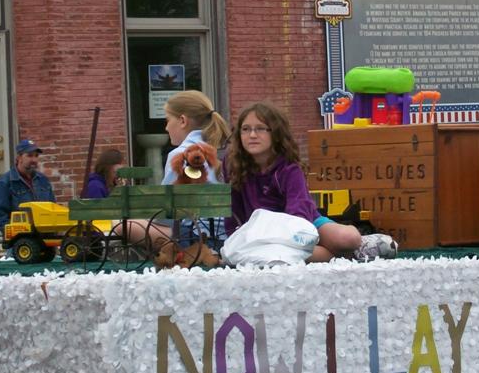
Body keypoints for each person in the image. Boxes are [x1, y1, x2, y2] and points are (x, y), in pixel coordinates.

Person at [226, 102, 392, 263]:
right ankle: (346, 256)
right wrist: (235, 239)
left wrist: (296, 240)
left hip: (302, 225)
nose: (252, 135)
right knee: (270, 254)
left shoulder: (288, 168)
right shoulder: (234, 166)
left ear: (275, 133)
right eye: (246, 129)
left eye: (260, 129)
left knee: (348, 238)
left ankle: (360, 243)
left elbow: (300, 211)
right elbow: (233, 211)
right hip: (263, 233)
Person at [161, 91, 232, 245]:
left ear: (182, 121)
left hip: (193, 235)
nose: (166, 127)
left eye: (167, 120)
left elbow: (166, 208)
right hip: (227, 233)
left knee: (126, 227)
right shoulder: (215, 149)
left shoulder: (179, 154)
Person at [0, 139, 56, 233]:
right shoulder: (5, 182)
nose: (34, 160)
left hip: (45, 236)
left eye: (36, 156)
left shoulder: (43, 180)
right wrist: (17, 234)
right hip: (20, 240)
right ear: (19, 158)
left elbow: (52, 207)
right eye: (29, 155)